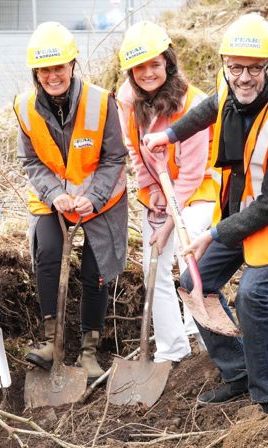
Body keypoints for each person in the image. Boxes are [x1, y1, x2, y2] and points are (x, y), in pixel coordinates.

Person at [142, 13, 268, 413]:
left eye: (254, 69)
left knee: (251, 295)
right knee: (194, 284)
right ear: (225, 65)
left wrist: (212, 233)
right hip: (244, 212)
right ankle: (239, 372)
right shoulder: (230, 85)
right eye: (235, 68)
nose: (244, 78)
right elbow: (211, 107)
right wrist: (170, 135)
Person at [14, 22, 128, 383]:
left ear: (72, 65)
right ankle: (53, 342)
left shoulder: (101, 101)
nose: (52, 76)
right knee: (48, 253)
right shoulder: (24, 107)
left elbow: (115, 156)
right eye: (44, 70)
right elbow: (30, 160)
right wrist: (54, 195)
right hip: (53, 199)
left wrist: (93, 198)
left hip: (101, 199)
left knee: (96, 269)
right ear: (36, 73)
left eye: (59, 68)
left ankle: (89, 351)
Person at [115, 21, 217, 363]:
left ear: (168, 62)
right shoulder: (127, 98)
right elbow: (134, 147)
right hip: (159, 188)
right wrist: (149, 186)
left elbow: (191, 174)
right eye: (139, 67)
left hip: (198, 188)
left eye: (154, 64)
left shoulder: (193, 104)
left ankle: (203, 335)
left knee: (189, 250)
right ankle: (172, 349)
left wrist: (170, 224)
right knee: (153, 265)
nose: (147, 73)